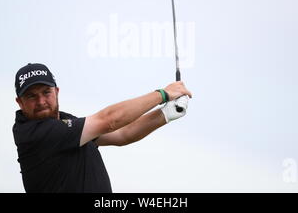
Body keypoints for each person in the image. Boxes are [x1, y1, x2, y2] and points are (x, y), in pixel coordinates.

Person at [12, 63, 192, 193]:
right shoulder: (33, 133)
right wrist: (162, 94)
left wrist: (166, 113)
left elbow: (123, 134)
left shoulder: (66, 123)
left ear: (56, 92)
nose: (41, 101)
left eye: (46, 92)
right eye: (31, 96)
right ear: (20, 102)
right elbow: (109, 120)